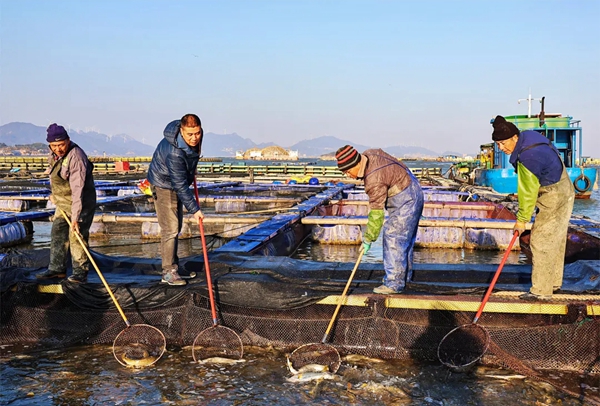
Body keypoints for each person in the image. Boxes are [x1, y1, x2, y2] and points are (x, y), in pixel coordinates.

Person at [491, 115, 575, 301]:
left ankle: (541, 291)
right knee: (555, 238)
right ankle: (552, 283)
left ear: (514, 137)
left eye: (504, 143)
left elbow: (528, 193)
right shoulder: (528, 136)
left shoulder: (527, 156)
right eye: (498, 145)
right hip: (563, 186)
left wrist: (521, 220)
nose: (502, 148)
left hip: (554, 193)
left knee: (541, 240)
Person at [336, 145, 424, 294]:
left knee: (393, 237)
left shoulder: (373, 180)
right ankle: (403, 278)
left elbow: (376, 215)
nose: (348, 175)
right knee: (405, 240)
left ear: (355, 165)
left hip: (407, 198)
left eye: (347, 171)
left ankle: (394, 283)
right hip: (413, 188)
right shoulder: (369, 155)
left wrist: (368, 239)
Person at [147, 114, 204, 286]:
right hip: (163, 184)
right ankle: (168, 272)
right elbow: (179, 185)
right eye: (190, 135)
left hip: (177, 180)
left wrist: (191, 168)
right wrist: (195, 210)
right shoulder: (174, 152)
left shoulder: (194, 138)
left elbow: (192, 155)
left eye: (197, 133)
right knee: (170, 228)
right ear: (181, 131)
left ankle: (175, 266)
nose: (194, 138)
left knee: (176, 226)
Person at [36, 124, 96, 283]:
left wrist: (75, 218)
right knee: (57, 232)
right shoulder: (53, 153)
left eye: (61, 144)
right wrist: (54, 195)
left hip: (81, 202)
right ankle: (56, 269)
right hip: (63, 203)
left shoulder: (76, 157)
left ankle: (79, 273)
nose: (58, 148)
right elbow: (53, 174)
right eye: (54, 145)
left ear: (68, 140)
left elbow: (78, 190)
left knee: (76, 236)